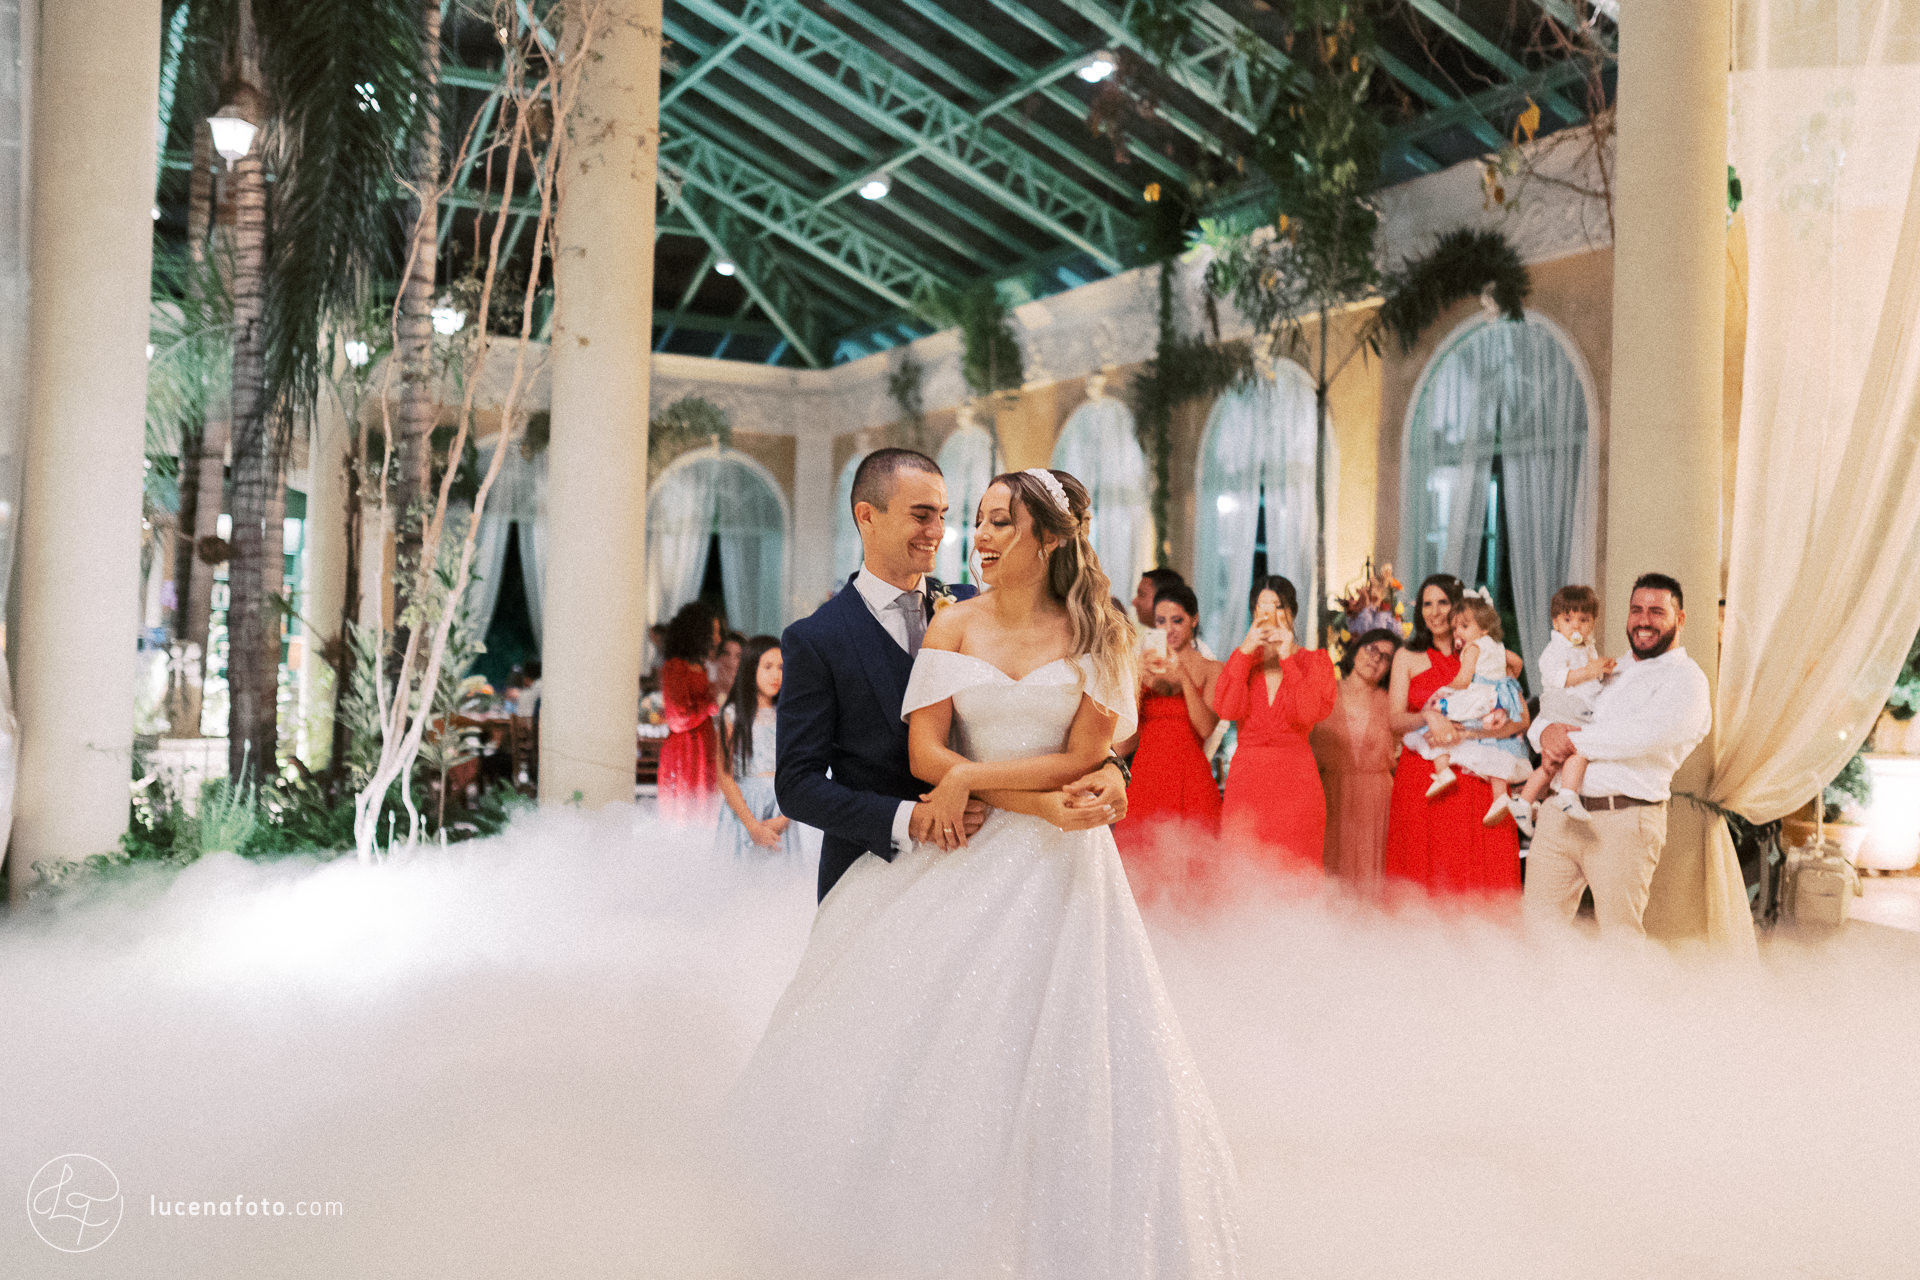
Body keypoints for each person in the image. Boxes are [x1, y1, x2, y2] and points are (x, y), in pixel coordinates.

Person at [737, 467, 1239, 1276]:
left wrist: (1101, 775)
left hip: (1062, 869)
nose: (962, 534)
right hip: (926, 858)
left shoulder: (1057, 619)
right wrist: (977, 798)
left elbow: (1089, 749)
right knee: (914, 1064)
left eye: (980, 519)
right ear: (868, 517)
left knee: (1067, 1052)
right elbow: (860, 768)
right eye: (938, 516)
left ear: (1047, 538)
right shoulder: (855, 633)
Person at [774, 448, 1128, 903]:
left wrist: (1112, 770)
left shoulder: (971, 603)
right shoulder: (816, 638)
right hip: (876, 866)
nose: (938, 533)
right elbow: (797, 786)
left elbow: (1046, 725)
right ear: (867, 516)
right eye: (922, 516)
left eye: (942, 515)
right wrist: (908, 819)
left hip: (997, 862)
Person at [1522, 574, 1712, 937]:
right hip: (1560, 817)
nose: (1643, 620)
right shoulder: (1609, 667)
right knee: (1538, 935)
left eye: (1657, 611)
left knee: (1619, 941)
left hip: (1622, 820)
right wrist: (1543, 732)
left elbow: (1644, 735)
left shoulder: (1687, 680)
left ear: (1680, 619)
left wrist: (1572, 740)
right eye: (1636, 610)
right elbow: (1557, 707)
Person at [1383, 574, 1527, 897]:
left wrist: (1470, 731)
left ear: (1460, 607)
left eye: (1443, 603)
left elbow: (1521, 719)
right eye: (1426, 604)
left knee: (1476, 878)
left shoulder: (1487, 655)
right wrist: (1429, 716)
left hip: (1476, 779)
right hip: (1423, 778)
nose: (1434, 612)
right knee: (1421, 880)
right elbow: (1393, 720)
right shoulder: (1407, 657)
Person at [1210, 575, 1337, 872]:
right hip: (1247, 783)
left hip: (1296, 785)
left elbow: (1306, 714)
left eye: (1278, 606)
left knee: (1295, 876)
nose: (1269, 615)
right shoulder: (1243, 662)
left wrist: (1286, 656)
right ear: (1253, 613)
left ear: (1291, 611)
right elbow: (1226, 709)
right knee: (1243, 874)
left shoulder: (1315, 662)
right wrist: (1245, 649)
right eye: (1261, 607)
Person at [1113, 582, 1224, 898]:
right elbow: (1123, 744)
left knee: (1195, 877)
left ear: (1194, 619)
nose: (1169, 629)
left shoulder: (1211, 668)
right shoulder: (1143, 668)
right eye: (1160, 621)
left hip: (1191, 776)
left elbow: (1205, 728)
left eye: (1177, 620)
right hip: (1147, 776)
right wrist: (1135, 681)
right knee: (1140, 875)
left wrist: (1182, 676)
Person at [1399, 593, 1531, 826]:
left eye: (1464, 626)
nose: (1458, 631)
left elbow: (1462, 679)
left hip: (1478, 698)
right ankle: (1500, 797)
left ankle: (1443, 771)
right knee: (1495, 751)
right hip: (1497, 700)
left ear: (1483, 628)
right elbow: (1517, 663)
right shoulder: (1498, 646)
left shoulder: (1472, 648)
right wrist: (1505, 680)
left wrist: (1442, 692)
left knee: (1434, 729)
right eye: (1456, 626)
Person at [1510, 584, 1615, 836]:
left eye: (1583, 619)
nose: (1575, 626)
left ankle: (1523, 801)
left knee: (1551, 765)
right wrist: (1590, 671)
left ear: (1593, 623)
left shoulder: (1587, 648)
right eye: (1568, 620)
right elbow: (1558, 678)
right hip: (1562, 705)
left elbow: (1591, 680)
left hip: (1576, 707)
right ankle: (1568, 795)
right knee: (1581, 748)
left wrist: (1601, 670)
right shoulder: (1556, 648)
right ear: (1556, 623)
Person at [1311, 627, 1400, 888]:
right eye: (1371, 649)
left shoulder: (1392, 703)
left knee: (1373, 884)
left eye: (1385, 657)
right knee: (1330, 882)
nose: (1376, 658)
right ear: (1357, 649)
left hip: (1378, 802)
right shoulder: (1323, 691)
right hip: (1330, 797)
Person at [715, 636, 803, 859]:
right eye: (768, 667)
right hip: (745, 811)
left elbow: (799, 771)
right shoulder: (733, 715)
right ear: (751, 668)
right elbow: (724, 776)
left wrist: (785, 818)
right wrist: (753, 827)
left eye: (782, 667)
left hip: (782, 808)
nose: (776, 675)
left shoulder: (790, 715)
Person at [658, 601, 721, 822]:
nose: (717, 639)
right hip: (685, 750)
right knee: (686, 814)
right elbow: (677, 719)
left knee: (704, 812)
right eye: (714, 632)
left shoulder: (701, 666)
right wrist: (711, 706)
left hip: (701, 746)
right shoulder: (676, 667)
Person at [710, 630, 745, 703]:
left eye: (739, 656)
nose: (731, 662)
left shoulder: (750, 699)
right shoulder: (705, 691)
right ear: (717, 657)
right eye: (726, 654)